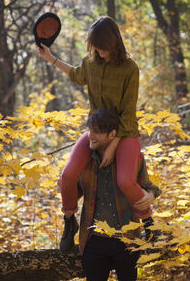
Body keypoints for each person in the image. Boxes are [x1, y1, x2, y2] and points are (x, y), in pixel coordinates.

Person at [38, 15, 151, 224]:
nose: (99, 51)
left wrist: (112, 145)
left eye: (103, 47)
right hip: (96, 131)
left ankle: (149, 223)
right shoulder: (90, 64)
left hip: (125, 132)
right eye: (96, 47)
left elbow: (128, 112)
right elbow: (75, 75)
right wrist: (51, 58)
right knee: (68, 175)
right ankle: (69, 220)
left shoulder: (129, 69)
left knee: (125, 181)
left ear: (114, 42)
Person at [59, 109, 161, 281]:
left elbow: (149, 187)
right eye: (89, 130)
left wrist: (150, 195)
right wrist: (64, 184)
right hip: (93, 239)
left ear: (112, 134)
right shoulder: (84, 162)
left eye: (97, 132)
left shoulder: (131, 161)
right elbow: (73, 192)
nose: (90, 136)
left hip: (127, 239)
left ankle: (150, 224)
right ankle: (69, 225)